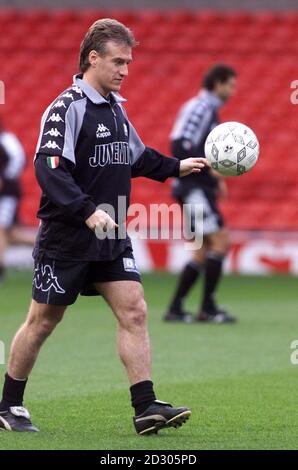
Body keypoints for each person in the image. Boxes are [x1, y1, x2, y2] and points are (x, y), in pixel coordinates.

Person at [0, 19, 208, 435]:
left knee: (134, 310)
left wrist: (175, 166)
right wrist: (86, 211)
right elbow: (50, 168)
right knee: (42, 321)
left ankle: (146, 406)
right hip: (70, 234)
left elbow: (135, 156)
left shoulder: (115, 108)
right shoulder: (66, 107)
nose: (125, 70)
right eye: (118, 61)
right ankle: (8, 406)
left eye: (128, 62)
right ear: (92, 58)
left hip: (111, 233)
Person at [164, 64, 237, 324]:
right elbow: (180, 144)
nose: (233, 90)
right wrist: (209, 169)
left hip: (197, 187)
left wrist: (213, 175)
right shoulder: (201, 108)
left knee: (202, 249)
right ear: (217, 84)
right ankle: (207, 308)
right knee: (220, 240)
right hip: (193, 187)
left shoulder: (210, 110)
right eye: (230, 84)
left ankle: (176, 309)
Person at [0, 119, 35, 284]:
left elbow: (18, 160)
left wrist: (5, 179)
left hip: (7, 194)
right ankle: (51, 247)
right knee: (11, 234)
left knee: (1, 229)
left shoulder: (6, 139)